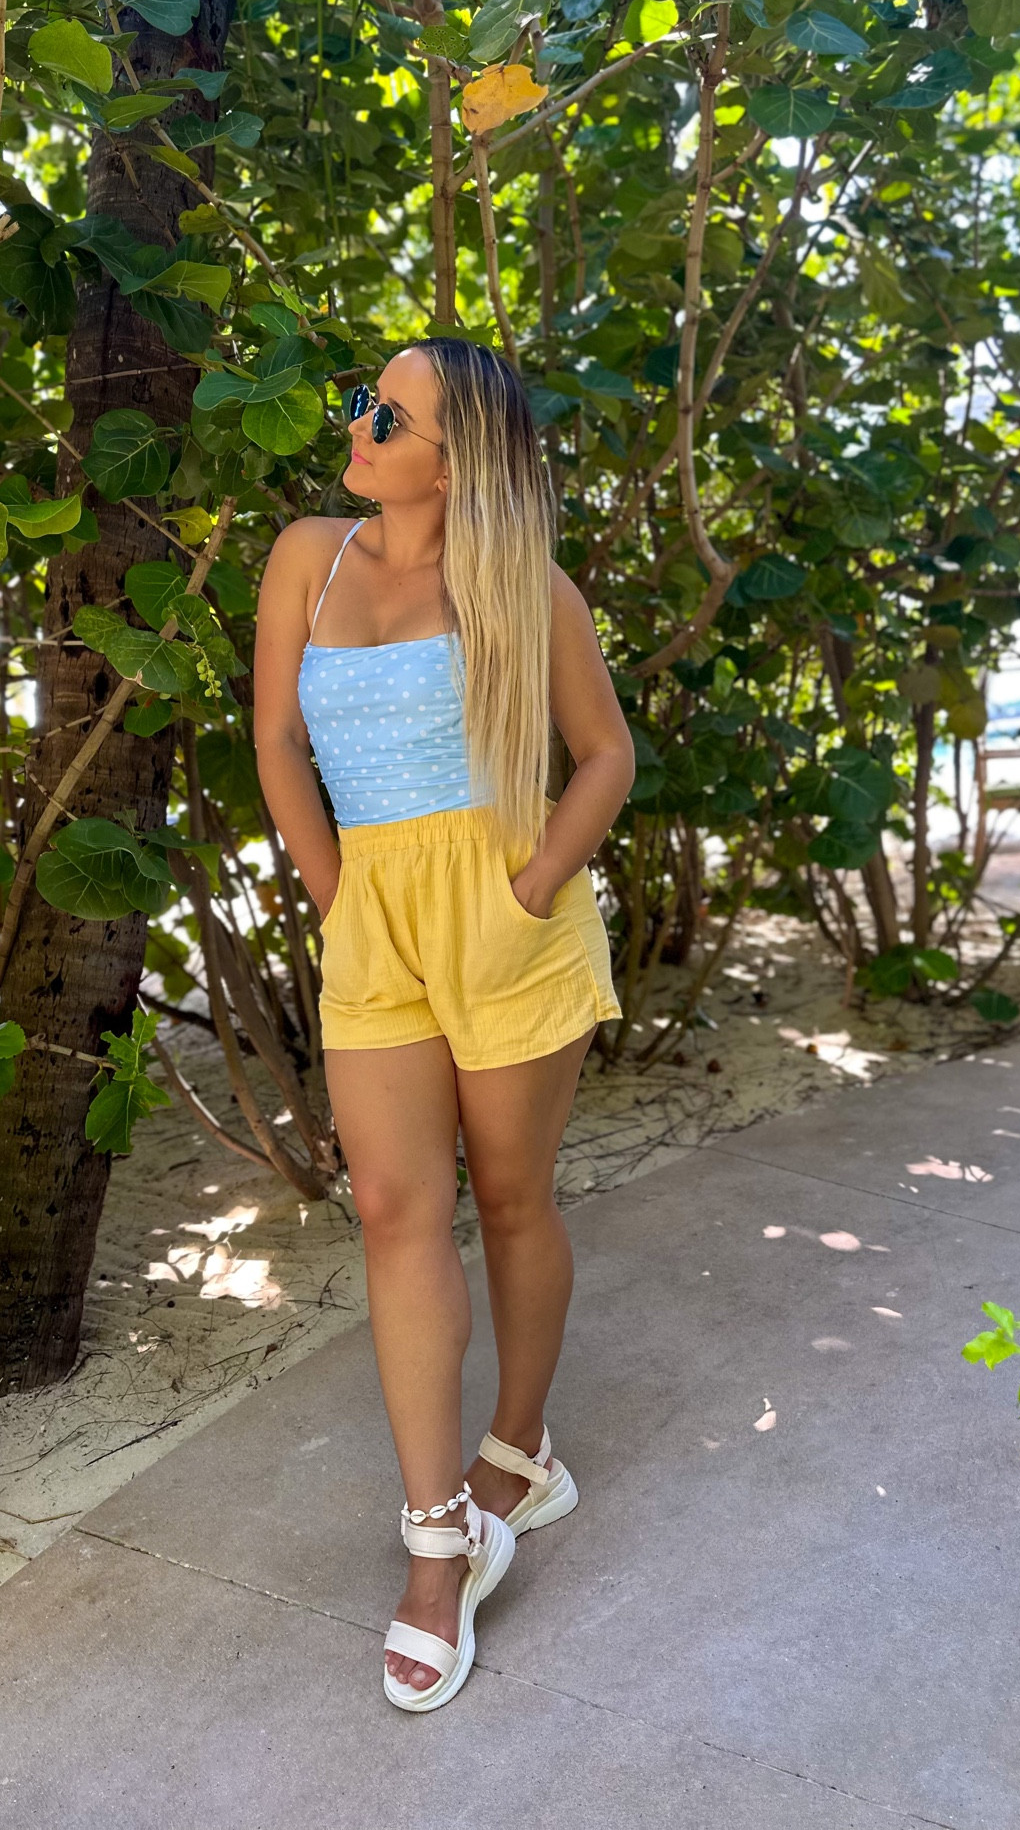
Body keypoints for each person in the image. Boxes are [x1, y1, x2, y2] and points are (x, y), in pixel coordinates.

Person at [253, 339, 636, 1713]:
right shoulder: (309, 554)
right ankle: (438, 1537)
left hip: (505, 914)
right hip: (373, 920)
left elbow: (606, 754)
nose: (357, 421)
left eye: (390, 415)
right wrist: (336, 893)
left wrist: (528, 887)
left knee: (515, 1196)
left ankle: (519, 1453)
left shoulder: (519, 586)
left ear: (459, 458)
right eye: (363, 396)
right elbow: (278, 747)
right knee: (391, 1202)